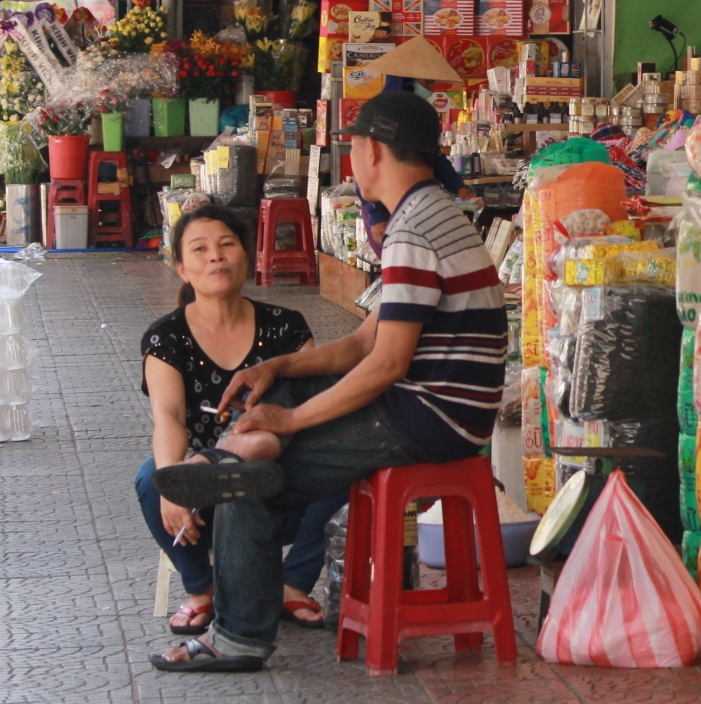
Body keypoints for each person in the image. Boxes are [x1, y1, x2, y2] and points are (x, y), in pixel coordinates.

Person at [149, 91, 509, 672]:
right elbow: (366, 340)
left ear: (370, 150)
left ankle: (237, 633)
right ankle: (241, 447)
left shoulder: (415, 229)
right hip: (437, 408)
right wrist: (278, 367)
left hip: (432, 417)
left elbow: (386, 364)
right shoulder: (432, 214)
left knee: (245, 480)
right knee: (277, 393)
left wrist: (291, 420)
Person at [135, 206, 346, 635]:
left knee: (345, 462)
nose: (216, 257)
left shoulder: (286, 328)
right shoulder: (166, 338)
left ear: (246, 256)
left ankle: (293, 583)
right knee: (150, 479)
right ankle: (201, 591)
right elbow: (169, 417)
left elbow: (314, 407)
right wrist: (172, 483)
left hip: (283, 486)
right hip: (208, 495)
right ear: (181, 268)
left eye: (226, 245)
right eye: (200, 249)